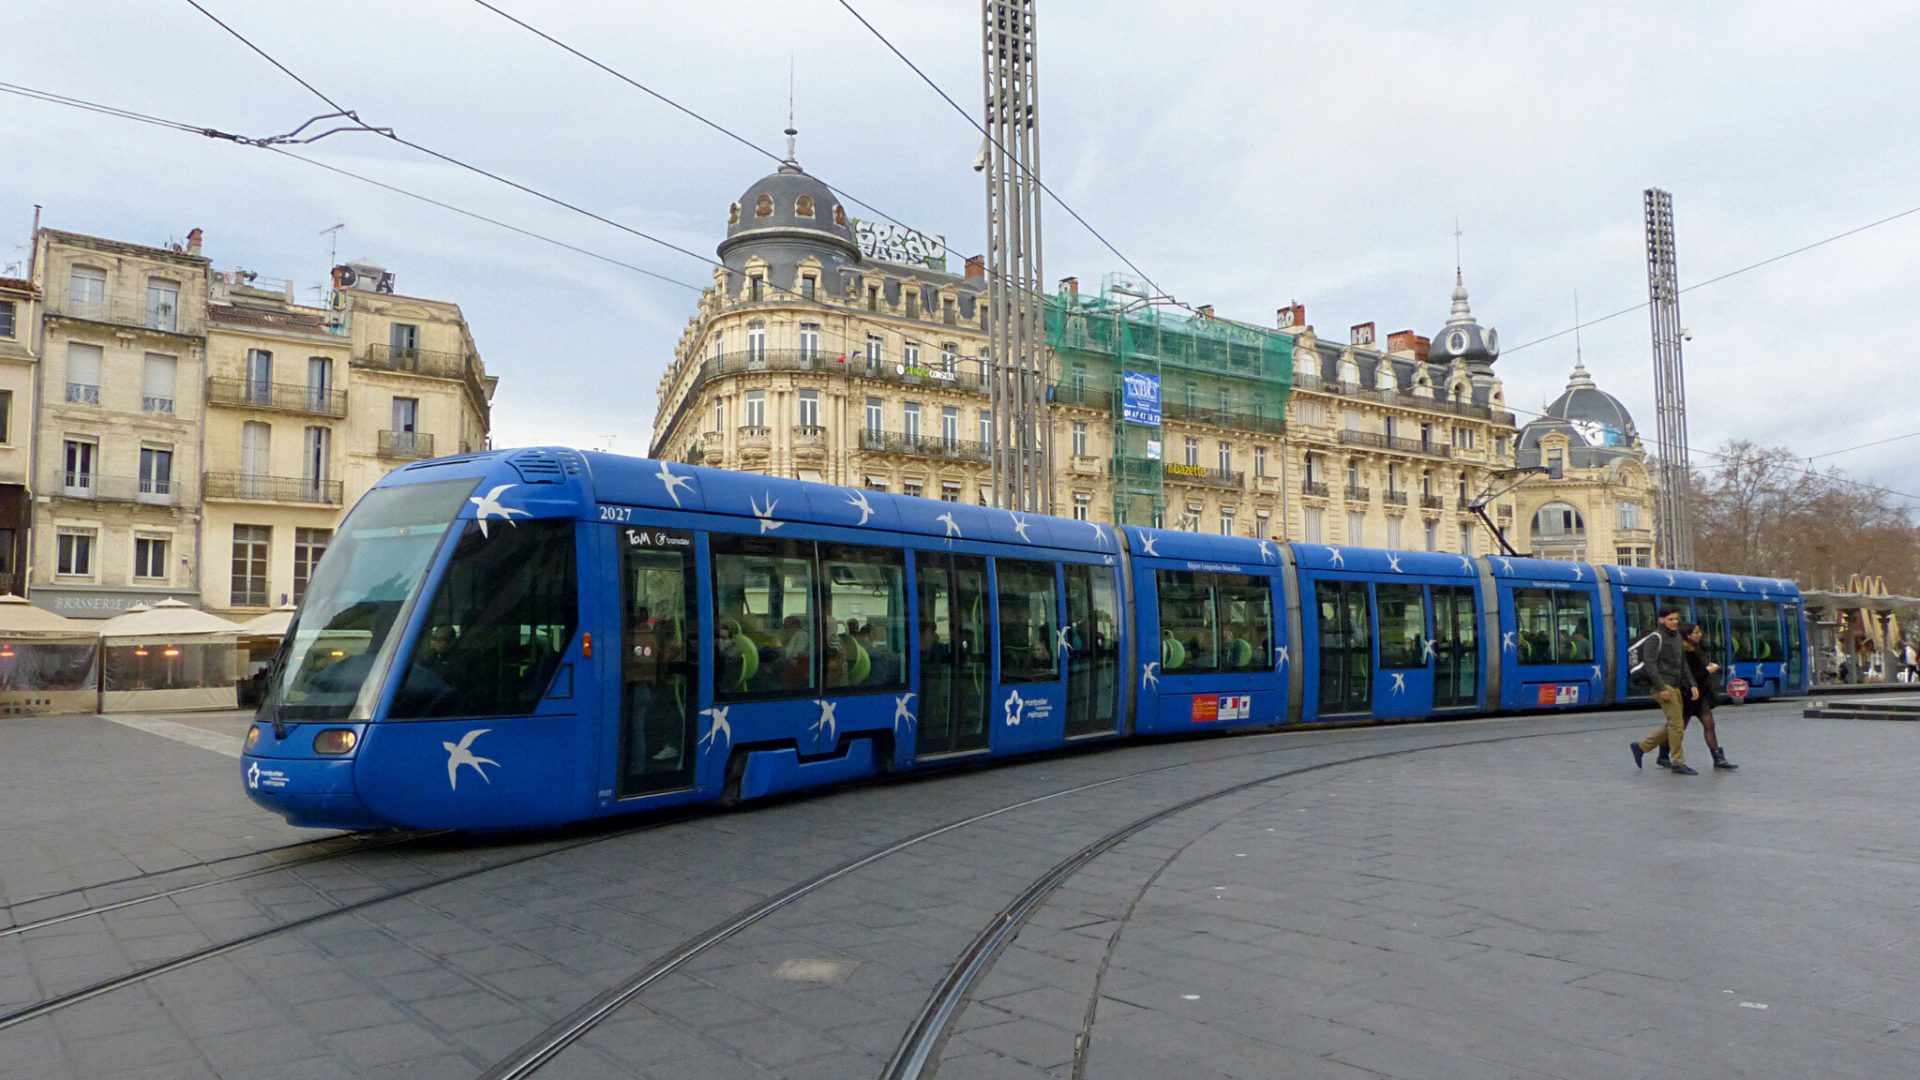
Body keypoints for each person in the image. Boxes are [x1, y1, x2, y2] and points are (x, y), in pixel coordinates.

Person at [1630, 606, 1698, 775]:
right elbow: (1650, 665)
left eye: (1676, 619)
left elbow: (1683, 664)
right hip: (1663, 685)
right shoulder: (1655, 638)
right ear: (1661, 620)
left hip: (1675, 685)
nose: (1674, 622)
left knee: (1675, 724)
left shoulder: (1676, 638)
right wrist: (1661, 687)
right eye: (1670, 619)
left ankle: (1641, 747)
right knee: (1677, 725)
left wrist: (1692, 684)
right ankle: (1678, 762)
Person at [1678, 622, 1737, 769]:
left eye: (1699, 632)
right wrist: (1707, 670)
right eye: (1696, 633)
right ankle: (1662, 752)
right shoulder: (1682, 651)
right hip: (1688, 694)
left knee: (1709, 724)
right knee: (1679, 728)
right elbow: (1688, 675)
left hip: (1701, 694)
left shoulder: (1698, 648)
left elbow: (1701, 668)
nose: (1699, 635)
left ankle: (1718, 758)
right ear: (1687, 635)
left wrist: (1709, 667)